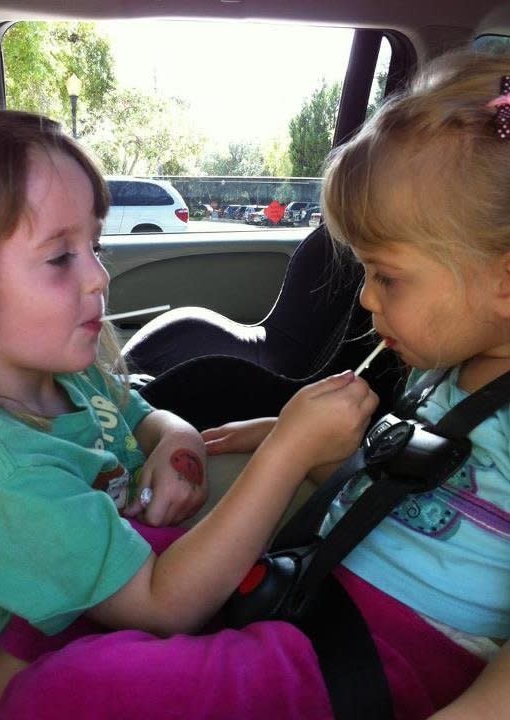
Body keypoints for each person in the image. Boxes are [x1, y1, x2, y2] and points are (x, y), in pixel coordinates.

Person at [0, 109, 378, 720]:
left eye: (96, 245)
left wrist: (176, 438)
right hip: (33, 673)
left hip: (111, 592)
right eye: (60, 258)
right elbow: (164, 605)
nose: (98, 277)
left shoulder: (67, 374)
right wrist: (286, 449)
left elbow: (147, 417)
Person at [203, 50, 510, 719]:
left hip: (398, 659)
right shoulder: (440, 376)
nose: (367, 300)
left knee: (85, 687)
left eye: (386, 276)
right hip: (325, 595)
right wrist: (293, 441)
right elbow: (415, 488)